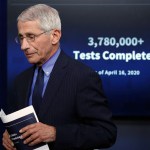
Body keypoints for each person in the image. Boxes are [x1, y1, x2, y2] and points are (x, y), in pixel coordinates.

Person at [2, 4, 117, 150]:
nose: (24, 46)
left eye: (31, 37)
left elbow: (106, 133)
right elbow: (21, 127)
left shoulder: (82, 76)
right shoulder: (20, 81)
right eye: (21, 38)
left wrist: (56, 133)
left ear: (54, 36)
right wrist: (11, 135)